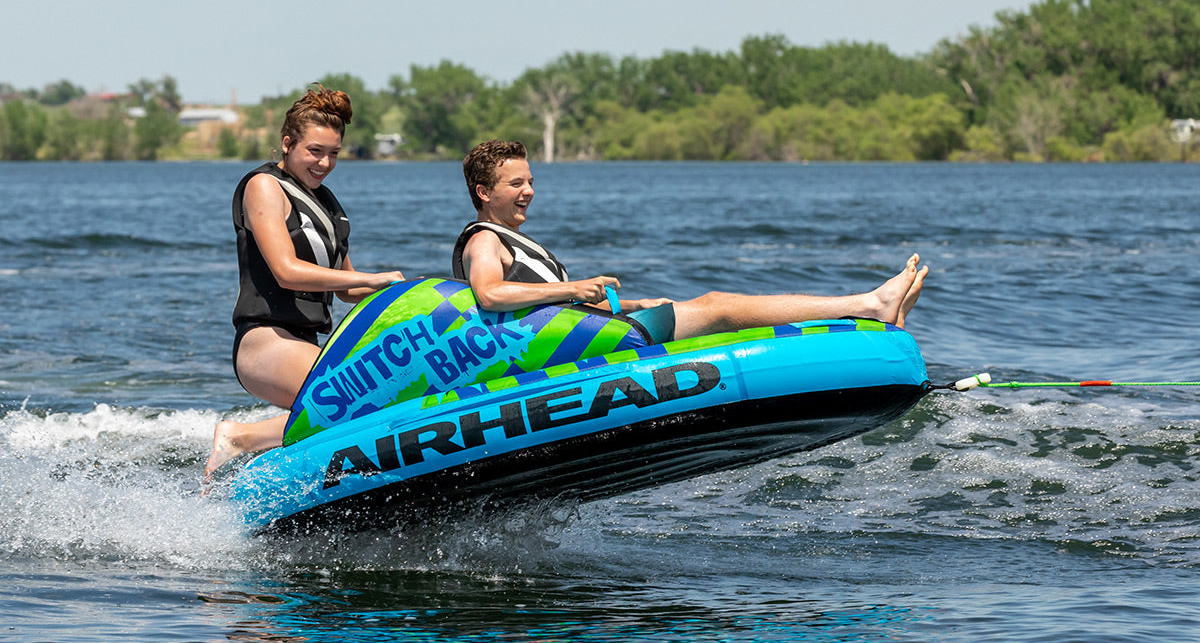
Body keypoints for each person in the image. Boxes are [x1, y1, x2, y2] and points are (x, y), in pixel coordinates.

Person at [452, 140, 927, 343]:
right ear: (484, 192)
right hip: (591, 347)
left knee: (712, 311)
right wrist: (574, 287)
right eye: (516, 184)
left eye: (530, 181)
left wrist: (634, 304)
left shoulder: (513, 240)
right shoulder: (483, 240)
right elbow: (490, 295)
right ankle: (868, 305)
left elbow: (550, 308)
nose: (529, 191)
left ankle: (864, 322)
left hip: (597, 332)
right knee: (718, 307)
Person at [205, 86, 406, 480]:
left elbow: (346, 289)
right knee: (360, 396)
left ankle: (271, 465)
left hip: (307, 342)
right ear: (287, 144)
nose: (325, 163)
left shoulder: (327, 204)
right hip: (266, 342)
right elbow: (286, 270)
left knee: (380, 395)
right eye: (315, 151)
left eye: (334, 153)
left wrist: (400, 289)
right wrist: (372, 277)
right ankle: (240, 437)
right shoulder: (264, 186)